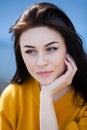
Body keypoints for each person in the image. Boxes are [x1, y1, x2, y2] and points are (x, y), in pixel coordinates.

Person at [0, 2, 87, 130]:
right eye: (30, 51)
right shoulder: (13, 96)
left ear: (68, 49)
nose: (41, 62)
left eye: (51, 49)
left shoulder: (83, 103)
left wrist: (46, 97)